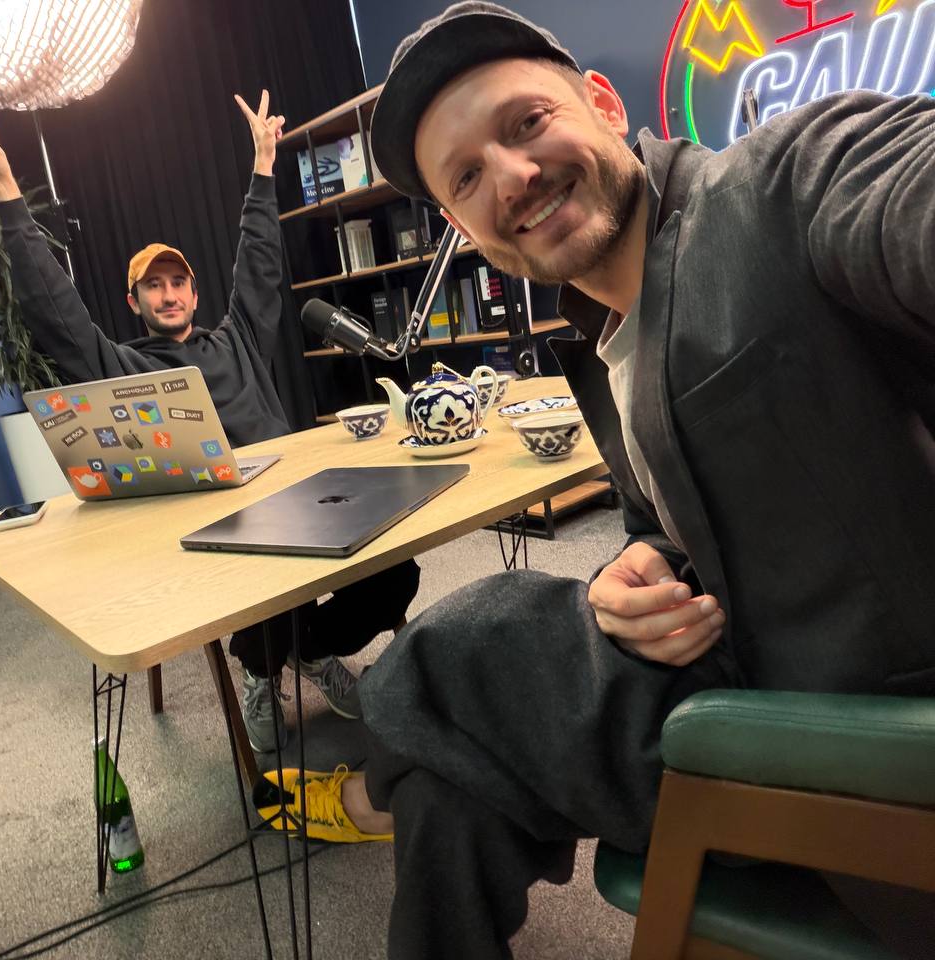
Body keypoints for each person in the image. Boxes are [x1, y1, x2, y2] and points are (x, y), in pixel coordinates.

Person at [253, 3, 935, 956]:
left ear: (606, 105)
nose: (512, 177)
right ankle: (403, 780)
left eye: (527, 122)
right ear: (459, 226)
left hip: (862, 758)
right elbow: (665, 517)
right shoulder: (594, 340)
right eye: (467, 178)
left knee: (469, 645)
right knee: (453, 780)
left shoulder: (784, 183)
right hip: (735, 684)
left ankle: (370, 786)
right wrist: (637, 570)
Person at [0, 93, 420, 755]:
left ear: (195, 294)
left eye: (179, 283)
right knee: (266, 584)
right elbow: (55, 313)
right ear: (134, 300)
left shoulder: (239, 340)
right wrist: (6, 194)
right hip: (222, 529)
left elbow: (258, 266)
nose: (169, 294)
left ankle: (309, 651)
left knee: (398, 573)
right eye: (154, 286)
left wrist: (264, 168)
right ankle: (263, 671)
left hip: (302, 498)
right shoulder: (122, 365)